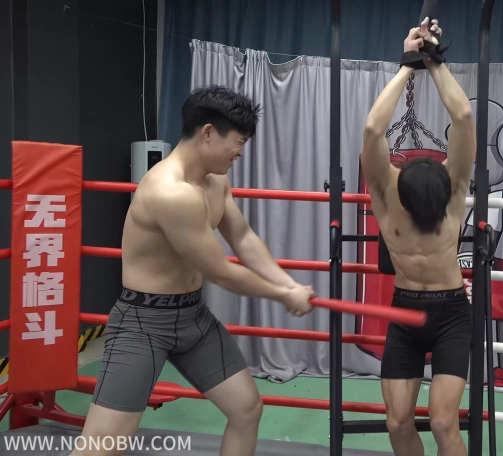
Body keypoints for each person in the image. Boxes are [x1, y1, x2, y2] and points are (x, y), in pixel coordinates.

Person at [72, 86, 316, 456]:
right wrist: (284, 295)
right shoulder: (171, 192)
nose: (240, 153)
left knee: (247, 409)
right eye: (237, 143)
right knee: (103, 446)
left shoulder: (216, 181)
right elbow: (219, 271)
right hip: (144, 323)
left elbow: (243, 238)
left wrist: (288, 282)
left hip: (193, 317)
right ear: (208, 133)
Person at [361, 18, 475, 456]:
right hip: (405, 313)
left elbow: (463, 117)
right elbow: (373, 131)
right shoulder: (386, 189)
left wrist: (434, 62)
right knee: (397, 422)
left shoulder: (454, 186)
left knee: (444, 423)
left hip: (451, 314)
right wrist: (407, 64)